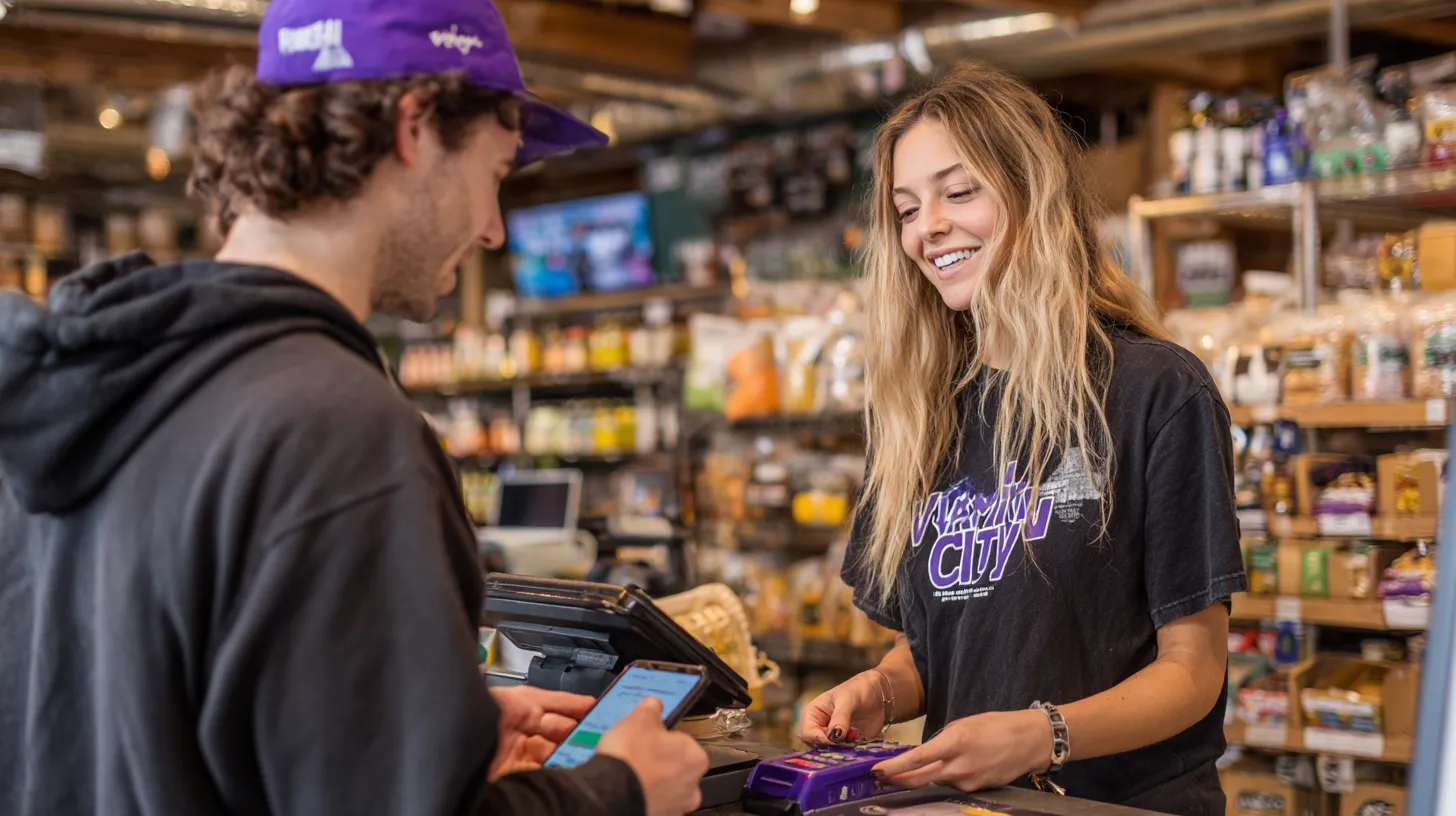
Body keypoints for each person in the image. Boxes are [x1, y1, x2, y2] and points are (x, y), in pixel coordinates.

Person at [0, 0, 708, 815]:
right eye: (496, 172)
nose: (493, 232)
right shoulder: (341, 434)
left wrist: (424, 728)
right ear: (414, 125)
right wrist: (616, 789)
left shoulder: (95, 383)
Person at [797, 62, 1246, 816]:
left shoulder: (1155, 391)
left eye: (958, 191)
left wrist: (1045, 735)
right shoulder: (920, 415)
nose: (926, 227)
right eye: (907, 208)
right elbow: (939, 647)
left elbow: (1193, 671)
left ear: (1035, 196)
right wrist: (881, 687)